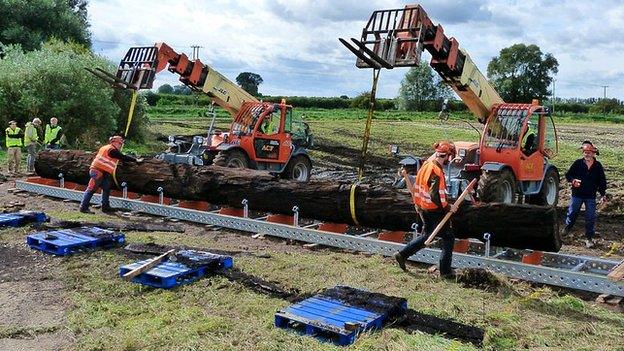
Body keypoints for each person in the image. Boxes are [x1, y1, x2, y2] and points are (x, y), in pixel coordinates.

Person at [394, 141, 457, 278]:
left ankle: (402, 254)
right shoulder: (437, 171)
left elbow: (417, 187)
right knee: (448, 237)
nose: (449, 160)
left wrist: (417, 205)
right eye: (449, 157)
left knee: (427, 235)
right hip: (434, 209)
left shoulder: (425, 166)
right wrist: (448, 207)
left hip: (423, 207)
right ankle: (445, 272)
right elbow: (437, 195)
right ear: (445, 156)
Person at [79, 136, 142, 214]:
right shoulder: (111, 150)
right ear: (114, 142)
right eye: (119, 144)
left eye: (121, 144)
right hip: (98, 171)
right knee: (91, 189)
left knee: (106, 188)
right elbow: (122, 157)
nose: (120, 146)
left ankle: (105, 207)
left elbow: (118, 157)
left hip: (104, 172)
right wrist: (135, 160)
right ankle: (83, 207)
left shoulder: (106, 148)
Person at [563, 141, 607, 248]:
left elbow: (602, 181)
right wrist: (573, 181)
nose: (587, 154)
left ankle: (589, 238)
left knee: (590, 217)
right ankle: (567, 228)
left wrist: (602, 194)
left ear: (593, 153)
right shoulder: (578, 163)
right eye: (585, 152)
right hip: (577, 194)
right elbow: (568, 175)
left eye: (589, 152)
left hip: (590, 195)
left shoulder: (597, 166)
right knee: (572, 212)